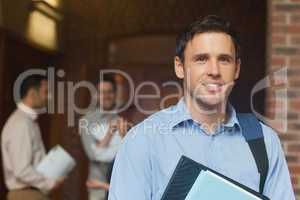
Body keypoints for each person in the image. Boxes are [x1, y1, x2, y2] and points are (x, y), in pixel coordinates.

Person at [108, 15, 295, 200]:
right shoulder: (142, 141)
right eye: (201, 59)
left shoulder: (265, 142)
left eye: (224, 59)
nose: (214, 71)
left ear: (236, 69)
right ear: (179, 67)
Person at [1, 74, 65, 200]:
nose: (49, 96)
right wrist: (50, 183)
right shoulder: (21, 123)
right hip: (26, 194)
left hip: (31, 193)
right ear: (32, 93)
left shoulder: (27, 121)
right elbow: (21, 170)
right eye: (46, 92)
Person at [80, 75, 129, 200]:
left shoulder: (124, 119)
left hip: (121, 186)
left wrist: (123, 139)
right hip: (98, 190)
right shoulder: (86, 121)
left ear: (114, 94)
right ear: (96, 95)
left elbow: (128, 156)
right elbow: (94, 155)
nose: (106, 96)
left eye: (110, 92)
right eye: (102, 92)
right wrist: (111, 135)